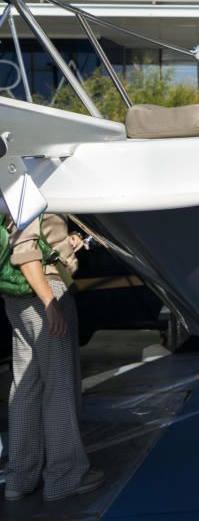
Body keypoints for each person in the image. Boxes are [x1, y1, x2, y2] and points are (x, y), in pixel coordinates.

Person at [2, 213, 104, 502]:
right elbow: (24, 248)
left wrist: (65, 242)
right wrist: (50, 302)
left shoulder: (8, 180)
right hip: (43, 292)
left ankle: (19, 478)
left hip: (16, 298)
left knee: (25, 388)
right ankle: (65, 476)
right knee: (59, 388)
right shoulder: (33, 182)